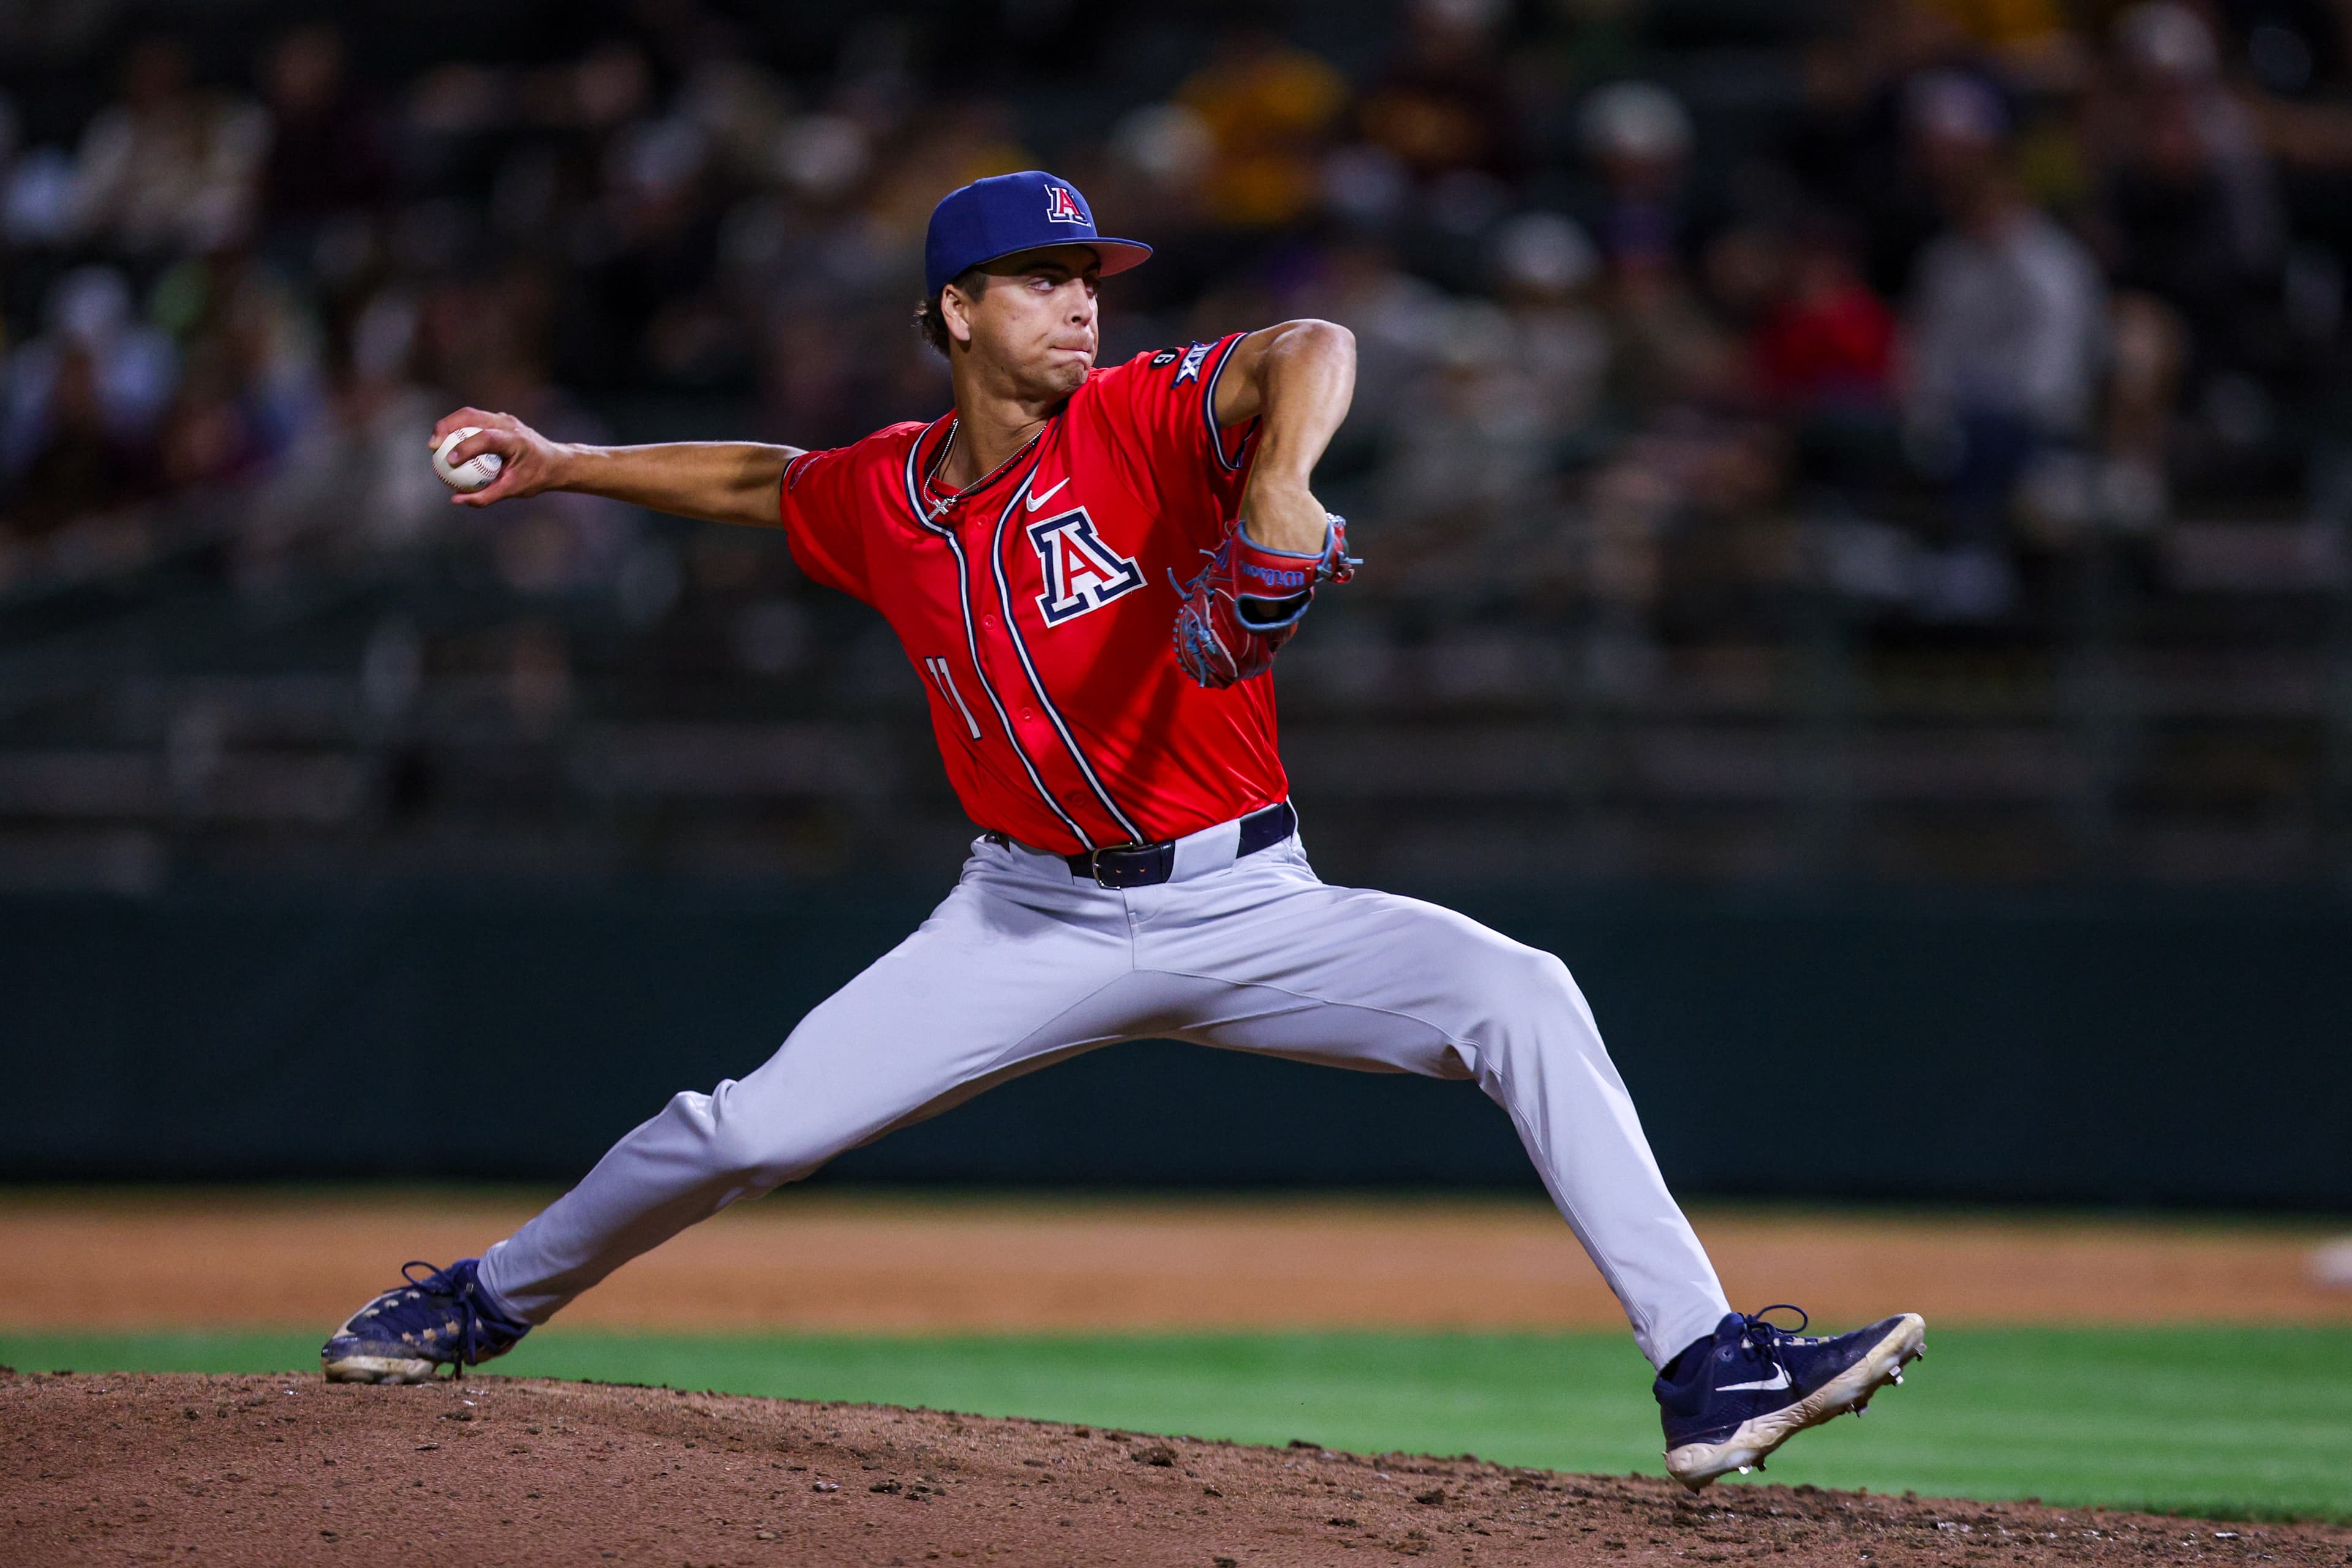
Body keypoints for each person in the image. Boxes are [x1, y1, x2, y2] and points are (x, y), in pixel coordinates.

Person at [319, 170, 1924, 1488]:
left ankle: (1707, 1365)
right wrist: (566, 466)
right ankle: (481, 1298)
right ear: (954, 312)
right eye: (1037, 277)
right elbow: (764, 482)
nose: (1081, 300)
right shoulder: (888, 495)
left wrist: (1284, 484)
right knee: (747, 1131)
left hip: (1255, 901)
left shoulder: (1148, 419)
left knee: (1524, 990)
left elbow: (1306, 340)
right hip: (1023, 923)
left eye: (1089, 272)